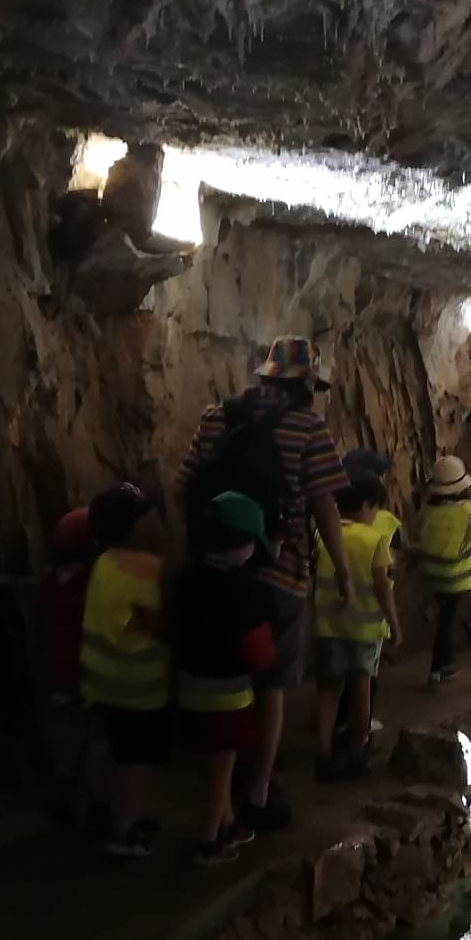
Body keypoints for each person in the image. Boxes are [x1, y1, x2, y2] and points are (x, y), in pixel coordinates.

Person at [179, 336, 351, 831]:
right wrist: (342, 570)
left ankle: (220, 791)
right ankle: (257, 790)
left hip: (214, 572)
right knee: (271, 682)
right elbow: (324, 506)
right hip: (281, 570)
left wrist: (208, 550)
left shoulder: (217, 416)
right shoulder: (307, 426)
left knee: (227, 678)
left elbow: (184, 487)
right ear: (306, 384)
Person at [174, 491, 277, 867]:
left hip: (190, 685)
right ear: (237, 541)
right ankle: (208, 841)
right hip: (229, 694)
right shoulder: (245, 589)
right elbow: (258, 650)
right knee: (222, 769)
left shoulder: (186, 575)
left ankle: (228, 824)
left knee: (215, 760)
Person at [79, 481, 169, 860]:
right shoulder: (151, 570)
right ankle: (123, 832)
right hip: (138, 686)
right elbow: (159, 624)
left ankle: (112, 815)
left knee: (112, 756)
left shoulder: (102, 562)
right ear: (133, 526)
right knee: (134, 762)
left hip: (100, 682)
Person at [313, 475, 400, 777]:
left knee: (328, 689)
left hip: (328, 625)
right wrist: (395, 624)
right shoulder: (374, 540)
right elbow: (382, 587)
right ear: (366, 505)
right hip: (364, 631)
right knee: (361, 689)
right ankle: (356, 753)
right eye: (375, 509)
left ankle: (322, 750)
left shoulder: (323, 535)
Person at [43, 504, 106, 829]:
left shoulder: (51, 583)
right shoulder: (92, 585)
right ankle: (97, 806)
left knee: (67, 743)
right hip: (91, 671)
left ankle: (62, 800)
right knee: (98, 741)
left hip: (59, 673)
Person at [336, 447, 399, 740]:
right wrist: (394, 623)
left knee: (334, 680)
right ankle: (359, 736)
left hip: (331, 620)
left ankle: (334, 727)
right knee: (364, 680)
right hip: (369, 621)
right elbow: (386, 576)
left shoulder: (325, 524)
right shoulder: (382, 523)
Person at [415, 453, 471, 685]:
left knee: (445, 616)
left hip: (430, 573)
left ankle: (448, 663)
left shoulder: (427, 508)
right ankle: (437, 669)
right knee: (446, 622)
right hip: (456, 576)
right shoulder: (467, 509)